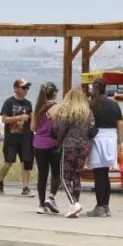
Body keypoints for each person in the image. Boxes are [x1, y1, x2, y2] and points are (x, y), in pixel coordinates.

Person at [48, 87, 93, 218]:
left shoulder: (67, 112)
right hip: (84, 147)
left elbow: (59, 129)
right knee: (76, 176)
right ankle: (75, 205)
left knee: (64, 177)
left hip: (69, 146)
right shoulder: (88, 112)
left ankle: (74, 203)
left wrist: (58, 142)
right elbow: (91, 130)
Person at [86, 80, 123, 218]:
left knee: (99, 174)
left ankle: (100, 206)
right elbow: (121, 124)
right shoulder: (114, 104)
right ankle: (106, 206)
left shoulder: (92, 105)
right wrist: (119, 143)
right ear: (105, 89)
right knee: (106, 174)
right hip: (111, 138)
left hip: (97, 137)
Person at [0, 78, 34, 196]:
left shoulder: (28, 104)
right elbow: (4, 119)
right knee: (8, 162)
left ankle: (25, 187)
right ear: (16, 89)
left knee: (26, 162)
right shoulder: (9, 102)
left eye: (27, 88)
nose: (26, 90)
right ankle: (0, 179)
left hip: (26, 137)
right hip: (12, 137)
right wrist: (19, 118)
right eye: (23, 87)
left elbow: (31, 118)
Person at [31, 82, 62, 214]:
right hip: (52, 144)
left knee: (42, 175)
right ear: (54, 93)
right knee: (56, 173)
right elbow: (61, 127)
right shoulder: (57, 108)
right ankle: (51, 198)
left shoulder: (37, 109)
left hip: (38, 144)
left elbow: (32, 128)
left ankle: (41, 205)